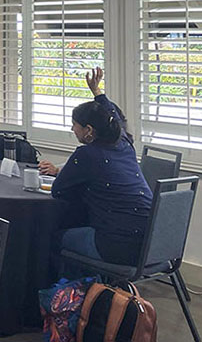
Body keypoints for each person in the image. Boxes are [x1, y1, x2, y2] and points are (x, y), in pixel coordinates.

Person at [39, 67, 152, 266]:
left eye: (74, 125)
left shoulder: (87, 154)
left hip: (116, 245)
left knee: (51, 238)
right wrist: (97, 92)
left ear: (89, 130)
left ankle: (74, 294)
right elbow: (112, 116)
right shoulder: (125, 144)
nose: (72, 129)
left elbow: (59, 191)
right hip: (149, 242)